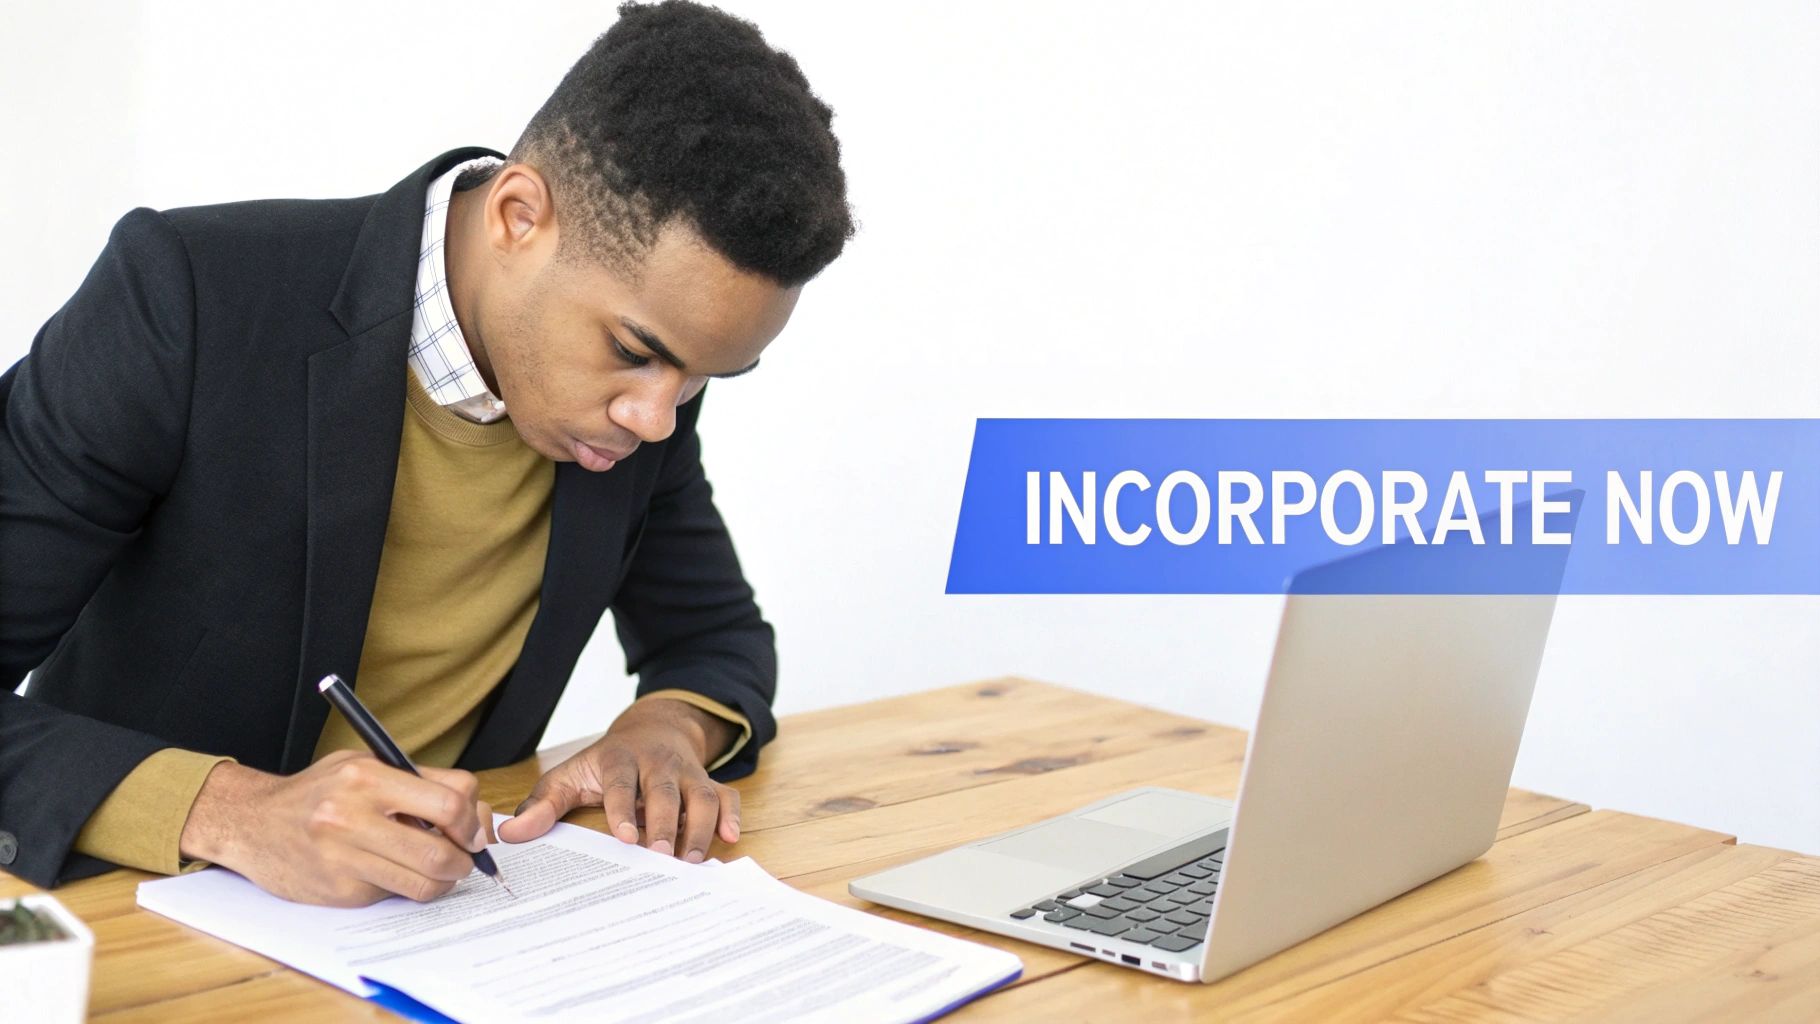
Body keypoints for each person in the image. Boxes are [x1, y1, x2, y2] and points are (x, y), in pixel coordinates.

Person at [0, 0, 852, 904]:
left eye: (701, 377)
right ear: (520, 216)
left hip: (436, 934)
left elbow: (711, 634)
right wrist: (234, 811)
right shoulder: (188, 297)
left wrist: (667, 730)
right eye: (636, 353)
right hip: (116, 914)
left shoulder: (638, 399)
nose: (656, 420)